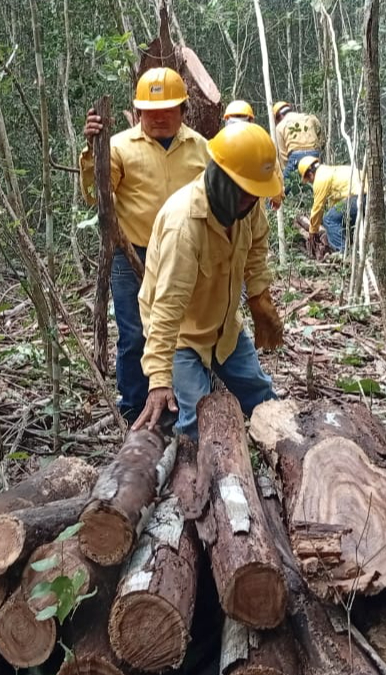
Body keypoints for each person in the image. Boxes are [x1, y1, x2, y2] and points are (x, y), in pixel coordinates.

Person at [133, 123, 285, 440]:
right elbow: (166, 310)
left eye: (255, 194)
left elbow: (257, 248)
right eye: (244, 192)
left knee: (263, 398)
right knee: (197, 421)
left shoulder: (249, 206)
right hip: (183, 337)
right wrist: (159, 378)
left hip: (225, 328)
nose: (250, 201)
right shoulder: (183, 226)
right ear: (220, 176)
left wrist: (259, 296)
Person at [80, 68, 209, 423]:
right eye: (151, 111)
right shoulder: (120, 146)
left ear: (183, 109)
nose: (160, 118)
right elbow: (94, 195)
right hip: (132, 252)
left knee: (188, 330)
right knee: (135, 334)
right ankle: (136, 409)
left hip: (186, 255)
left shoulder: (202, 149)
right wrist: (93, 153)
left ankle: (190, 402)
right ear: (137, 111)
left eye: (168, 110)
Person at [299, 155, 364, 254]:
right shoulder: (328, 171)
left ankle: (343, 253)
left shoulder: (320, 178)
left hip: (358, 197)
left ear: (310, 174)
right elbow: (336, 205)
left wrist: (313, 231)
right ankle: (351, 248)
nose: (310, 182)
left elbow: (318, 207)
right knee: (338, 219)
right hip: (366, 196)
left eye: (309, 180)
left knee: (329, 219)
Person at [270, 100, 324, 193]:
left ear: (279, 116)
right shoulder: (309, 117)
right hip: (314, 153)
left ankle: (276, 201)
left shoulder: (280, 127)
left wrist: (286, 170)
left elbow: (283, 154)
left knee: (281, 188)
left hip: (295, 157)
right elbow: (321, 135)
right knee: (318, 183)